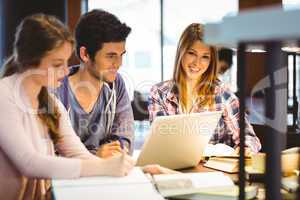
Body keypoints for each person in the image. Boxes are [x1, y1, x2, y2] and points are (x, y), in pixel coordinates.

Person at [0, 14, 135, 199]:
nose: (65, 71)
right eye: (57, 64)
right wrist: (104, 166)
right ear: (30, 61)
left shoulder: (50, 104)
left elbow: (77, 153)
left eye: (65, 62)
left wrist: (133, 170)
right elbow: (29, 162)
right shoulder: (4, 95)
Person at [148, 23, 261, 154]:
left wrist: (245, 149)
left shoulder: (223, 94)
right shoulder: (159, 93)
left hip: (213, 170)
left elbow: (250, 139)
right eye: (191, 53)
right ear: (181, 52)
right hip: (174, 169)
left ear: (211, 60)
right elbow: (159, 143)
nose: (197, 63)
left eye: (205, 57)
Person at [56, 9, 134, 158]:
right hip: (66, 180)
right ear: (85, 54)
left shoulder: (116, 84)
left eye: (121, 55)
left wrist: (117, 150)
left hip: (105, 176)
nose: (118, 64)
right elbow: (50, 155)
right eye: (111, 56)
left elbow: (125, 137)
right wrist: (95, 157)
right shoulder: (56, 89)